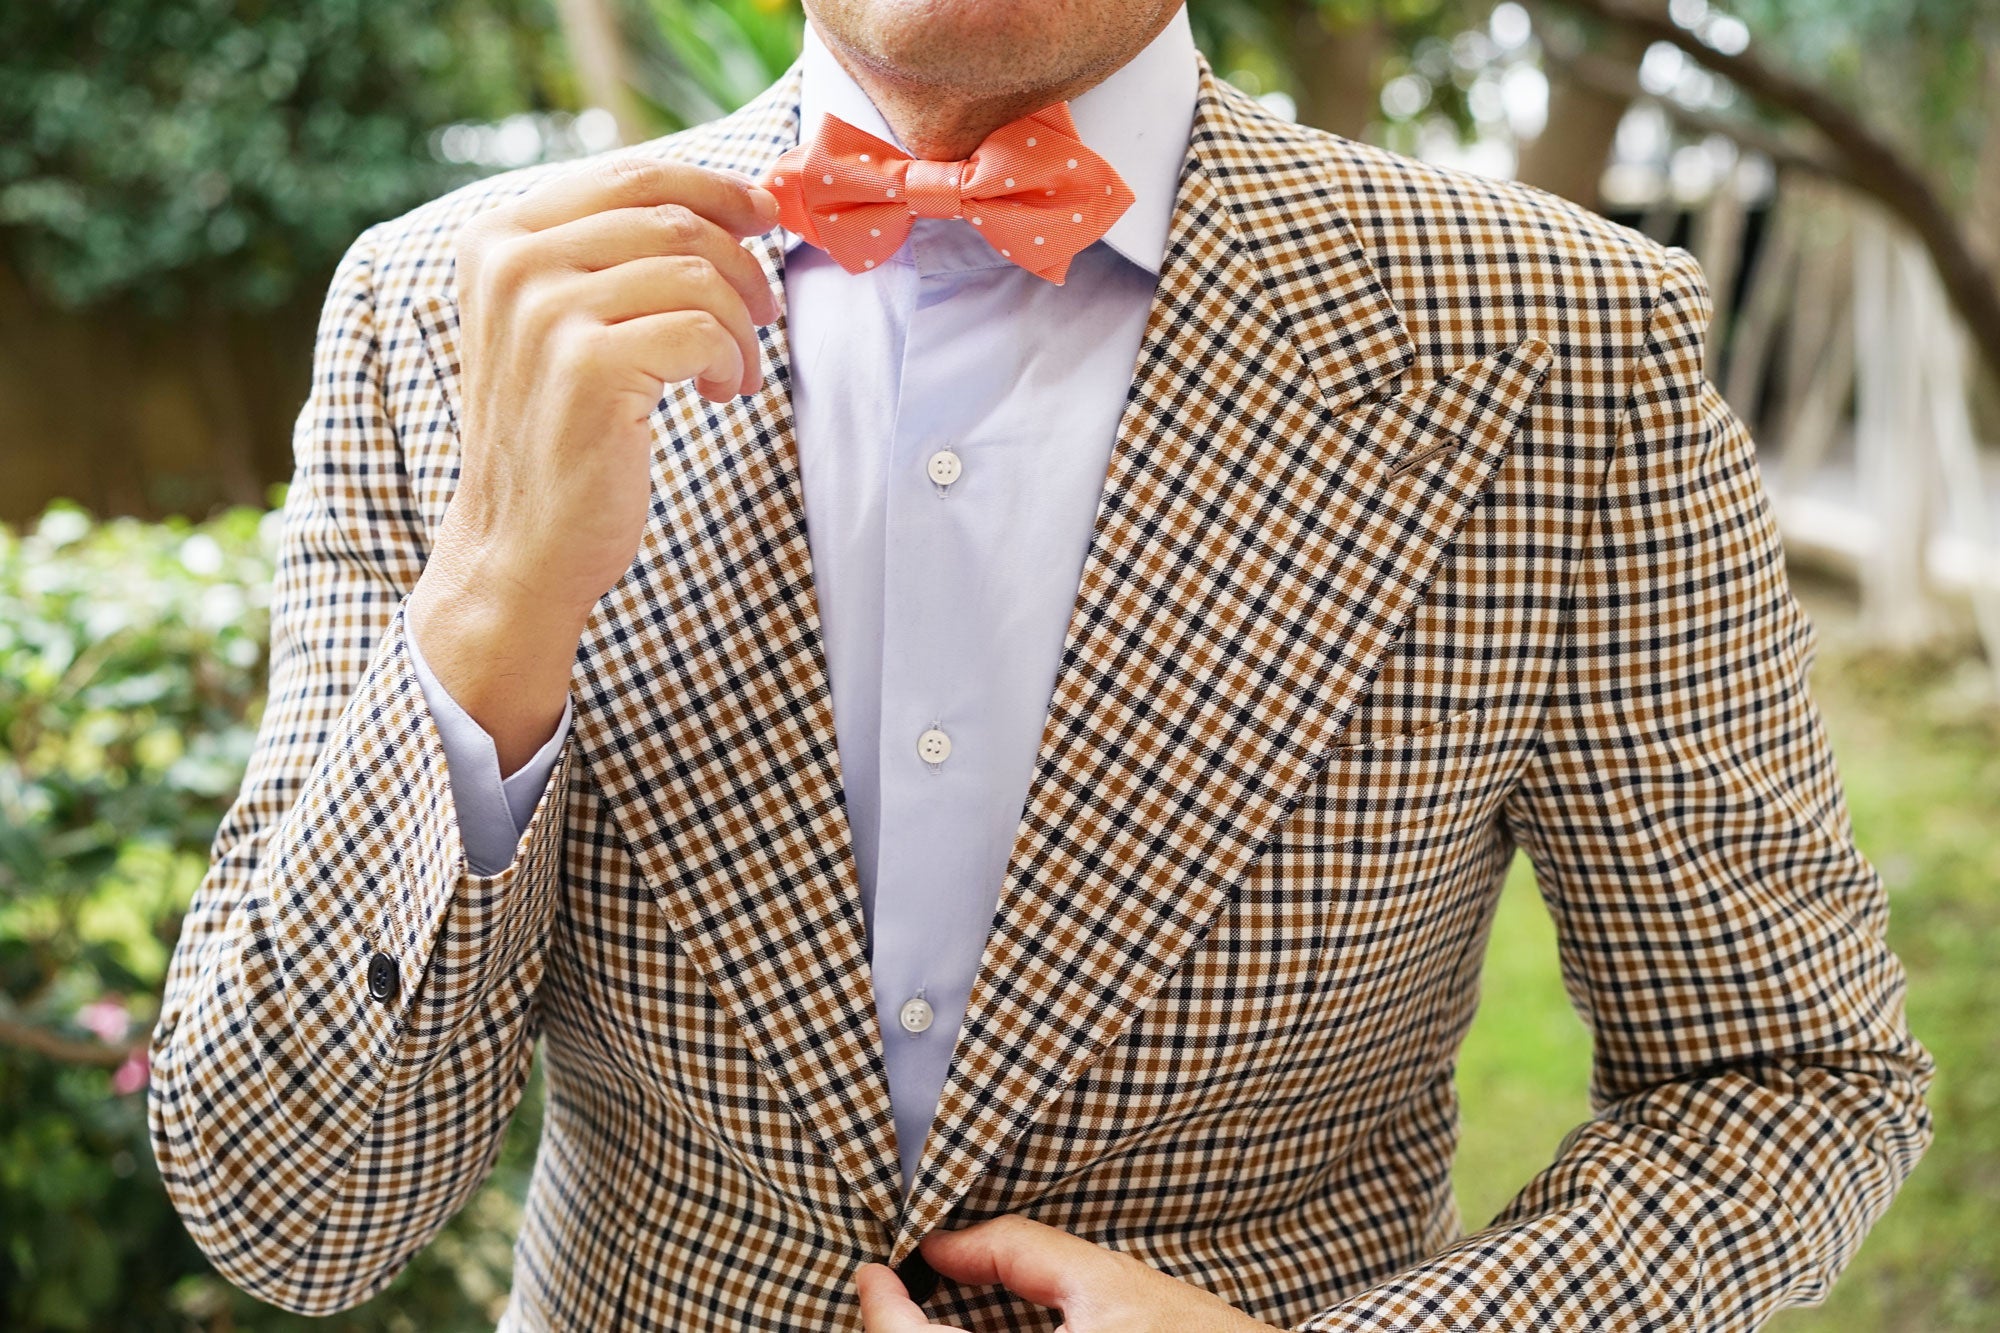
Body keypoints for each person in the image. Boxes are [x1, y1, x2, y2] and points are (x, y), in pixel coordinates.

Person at [148, 0, 1934, 1328]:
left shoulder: (1560, 343)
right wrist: (488, 615)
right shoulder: (435, 306)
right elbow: (292, 1205)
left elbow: (1783, 1084)